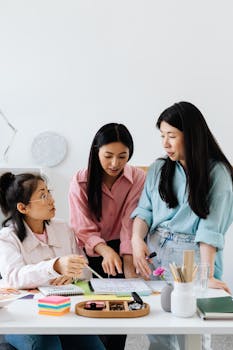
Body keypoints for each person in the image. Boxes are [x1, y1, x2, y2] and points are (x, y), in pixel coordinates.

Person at [131, 101, 233, 350]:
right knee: (158, 331)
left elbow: (210, 230)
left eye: (172, 136)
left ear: (192, 136)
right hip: (156, 254)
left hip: (195, 258)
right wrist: (136, 241)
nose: (165, 143)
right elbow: (144, 211)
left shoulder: (217, 173)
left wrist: (206, 275)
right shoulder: (157, 168)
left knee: (193, 333)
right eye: (162, 136)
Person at [0, 172, 105, 350]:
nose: (51, 199)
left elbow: (86, 269)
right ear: (23, 208)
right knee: (49, 345)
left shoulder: (64, 228)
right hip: (25, 318)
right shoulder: (7, 238)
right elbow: (13, 277)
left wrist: (72, 275)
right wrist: (55, 266)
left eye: (48, 192)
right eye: (43, 196)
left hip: (64, 310)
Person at [68, 122, 146, 350]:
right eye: (108, 155)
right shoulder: (80, 180)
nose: (115, 163)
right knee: (95, 313)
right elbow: (81, 226)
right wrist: (104, 250)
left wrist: (128, 260)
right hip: (91, 250)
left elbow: (129, 221)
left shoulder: (138, 178)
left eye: (123, 156)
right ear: (96, 151)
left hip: (124, 246)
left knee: (120, 316)